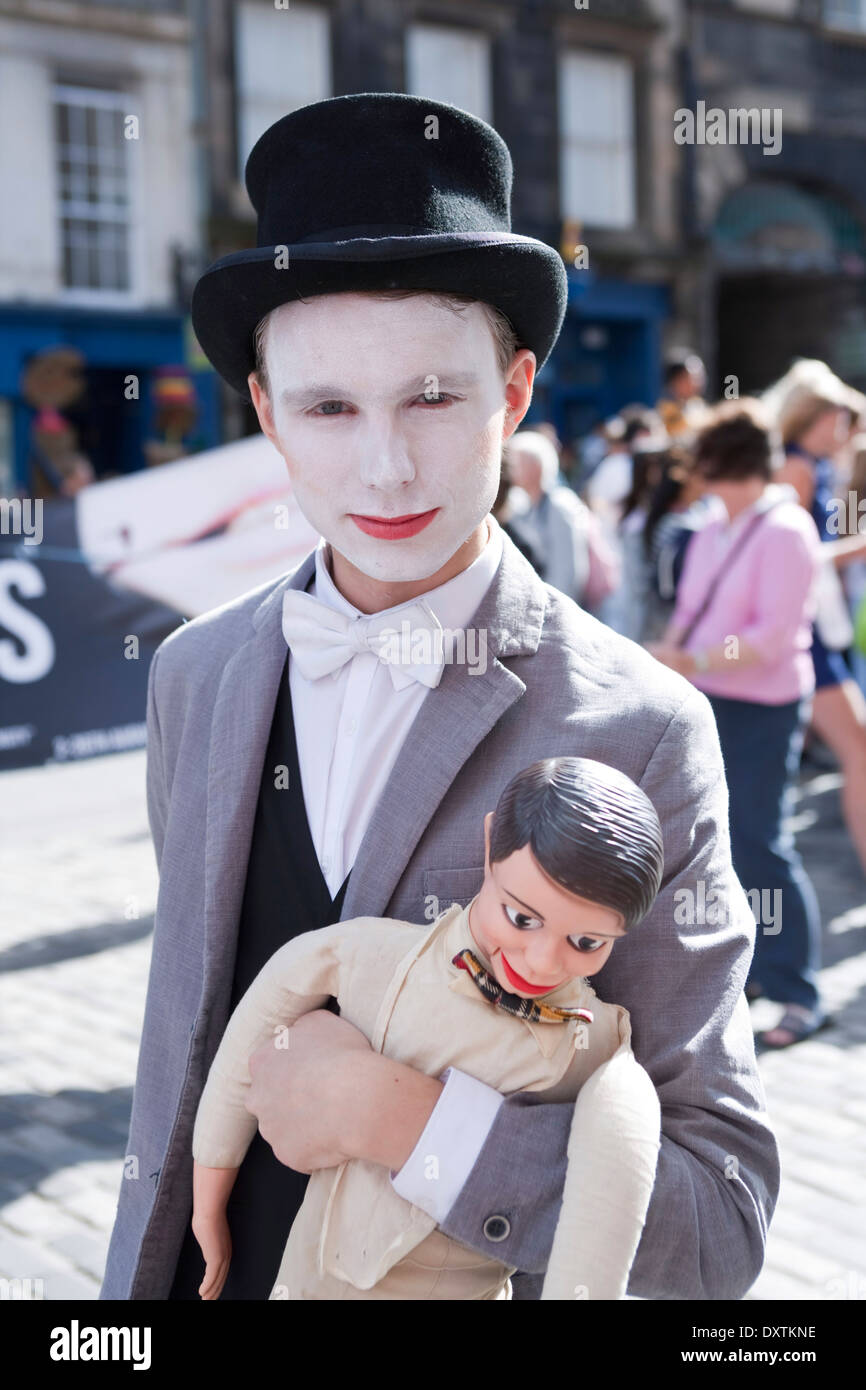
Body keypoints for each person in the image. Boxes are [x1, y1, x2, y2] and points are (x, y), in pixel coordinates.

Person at [101, 92, 778, 1303]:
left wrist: (409, 1120)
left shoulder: (641, 724)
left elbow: (713, 1224)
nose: (385, 465)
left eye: (431, 396)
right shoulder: (194, 674)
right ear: (263, 411)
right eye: (326, 405)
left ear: (514, 394)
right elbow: (186, 1043)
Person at [191, 757, 665, 1302]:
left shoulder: (594, 1041)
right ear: (489, 844)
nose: (539, 962)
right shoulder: (382, 955)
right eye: (521, 918)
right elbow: (263, 1013)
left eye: (585, 943)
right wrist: (209, 1188)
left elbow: (609, 1194)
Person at [646, 400, 827, 1049]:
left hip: (762, 706)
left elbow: (772, 638)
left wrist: (689, 658)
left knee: (761, 843)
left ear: (724, 463)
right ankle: (748, 969)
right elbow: (691, 609)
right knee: (715, 842)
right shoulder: (717, 523)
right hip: (708, 696)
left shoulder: (783, 530)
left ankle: (797, 988)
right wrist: (675, 663)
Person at [765, 359, 866, 878]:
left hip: (813, 630)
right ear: (815, 416)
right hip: (803, 633)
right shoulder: (796, 468)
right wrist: (857, 548)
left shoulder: (812, 463)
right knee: (858, 748)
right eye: (839, 417)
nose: (846, 427)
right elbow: (792, 557)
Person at [655, 349, 708, 438]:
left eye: (700, 377)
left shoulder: (699, 405)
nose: (698, 382)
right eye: (692, 378)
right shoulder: (665, 411)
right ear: (675, 381)